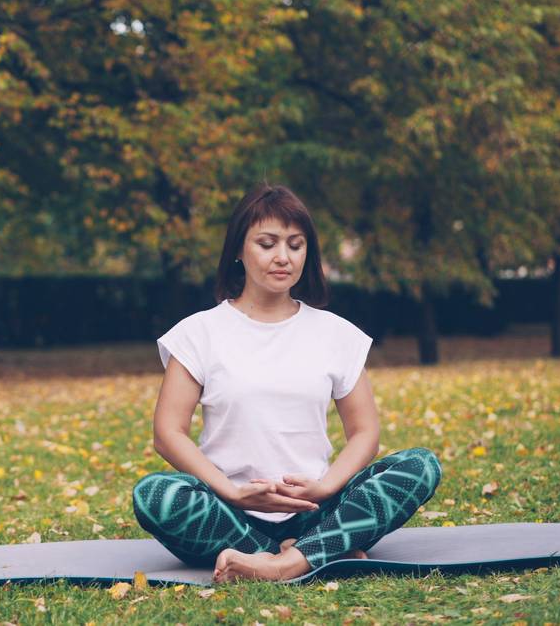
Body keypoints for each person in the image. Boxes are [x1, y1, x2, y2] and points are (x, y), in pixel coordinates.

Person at [132, 183, 442, 583]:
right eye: (267, 243)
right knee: (154, 494)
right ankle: (319, 551)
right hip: (229, 511)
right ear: (239, 251)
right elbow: (168, 433)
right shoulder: (198, 333)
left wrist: (325, 488)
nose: (283, 257)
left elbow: (365, 432)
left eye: (295, 245)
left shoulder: (336, 334)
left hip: (317, 511)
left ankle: (283, 563)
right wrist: (231, 491)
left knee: (419, 465)